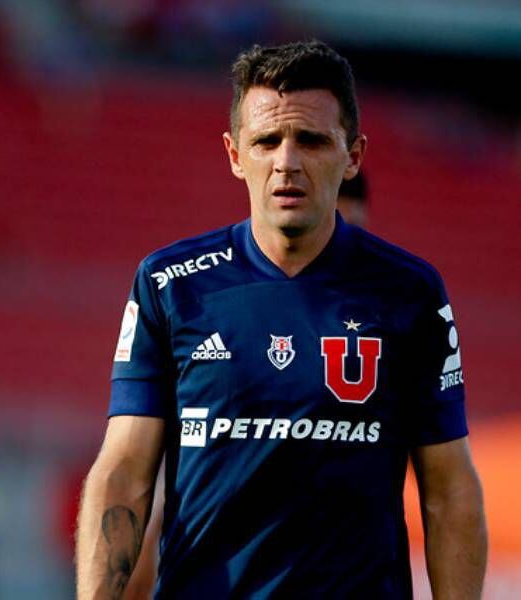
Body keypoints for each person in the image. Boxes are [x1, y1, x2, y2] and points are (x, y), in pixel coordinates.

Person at [76, 40, 486, 599]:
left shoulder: (410, 293)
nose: (286, 162)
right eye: (266, 141)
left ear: (353, 156)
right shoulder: (170, 284)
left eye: (311, 141)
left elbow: (449, 489)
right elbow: (124, 472)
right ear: (234, 154)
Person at [123, 167, 374, 600]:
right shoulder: (225, 310)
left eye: (348, 228)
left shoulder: (388, 311)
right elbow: (145, 496)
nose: (332, 241)